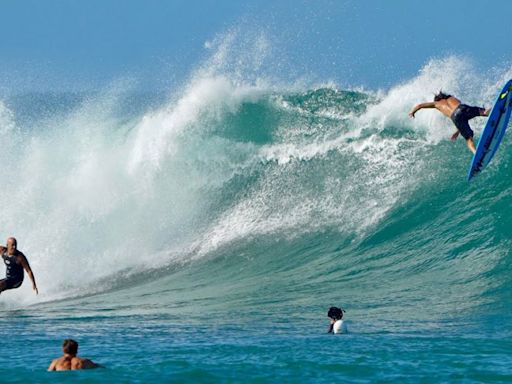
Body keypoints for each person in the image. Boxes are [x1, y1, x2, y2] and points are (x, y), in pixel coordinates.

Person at [409, 91, 490, 154]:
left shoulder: (436, 103)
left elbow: (420, 106)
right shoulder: (451, 97)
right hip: (462, 108)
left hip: (454, 117)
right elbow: (462, 113)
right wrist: (457, 131)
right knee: (483, 112)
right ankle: (490, 110)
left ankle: (475, 152)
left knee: (469, 139)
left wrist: (412, 112)